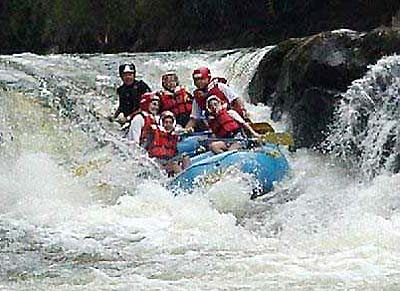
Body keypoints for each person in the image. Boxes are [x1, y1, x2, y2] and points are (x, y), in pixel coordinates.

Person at [185, 66, 249, 132]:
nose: (199, 82)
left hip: (231, 119)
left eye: (202, 79)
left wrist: (244, 111)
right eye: (196, 80)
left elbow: (236, 99)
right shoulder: (197, 98)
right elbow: (194, 118)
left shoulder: (220, 86)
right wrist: (186, 129)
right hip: (216, 125)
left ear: (208, 78)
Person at [146, 111, 190, 175]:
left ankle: (189, 176)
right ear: (162, 123)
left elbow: (182, 132)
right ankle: (183, 178)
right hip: (157, 162)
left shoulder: (175, 135)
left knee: (186, 157)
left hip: (168, 160)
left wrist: (187, 131)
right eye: (166, 122)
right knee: (174, 165)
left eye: (170, 122)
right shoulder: (154, 131)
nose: (168, 125)